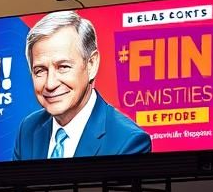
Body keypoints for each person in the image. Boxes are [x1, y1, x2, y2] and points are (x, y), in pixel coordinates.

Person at [12, 10, 151, 160]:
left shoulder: (128, 141)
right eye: (40, 70)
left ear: (91, 64)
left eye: (63, 67)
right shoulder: (28, 129)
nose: (50, 83)